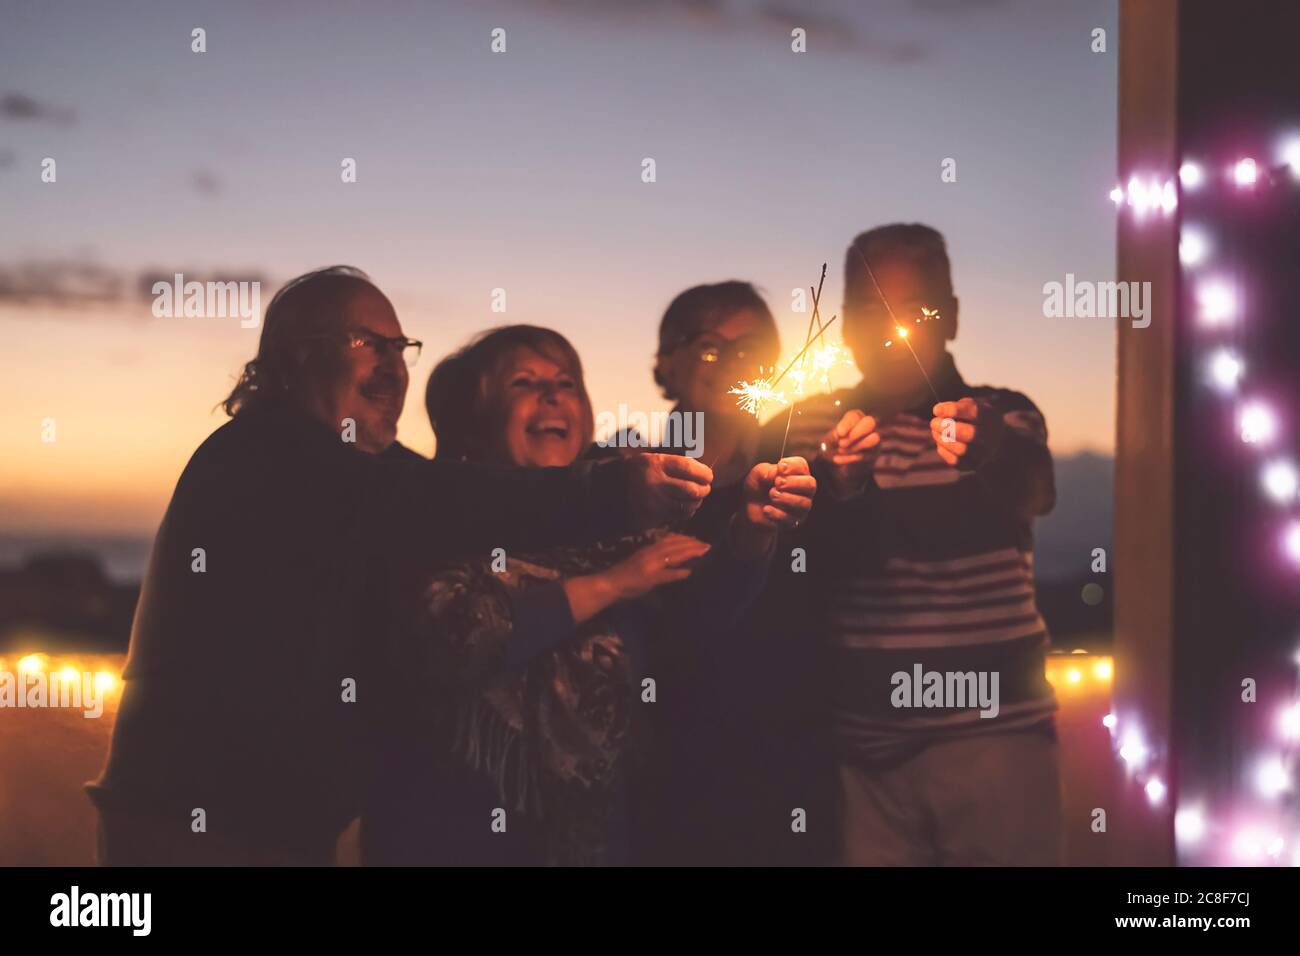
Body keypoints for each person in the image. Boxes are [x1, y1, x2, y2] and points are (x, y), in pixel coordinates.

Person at [86, 267, 713, 866]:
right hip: (197, 822)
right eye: (365, 343)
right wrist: (613, 497)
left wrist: (743, 520)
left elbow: (441, 488)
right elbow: (442, 505)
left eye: (399, 347)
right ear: (298, 356)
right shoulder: (267, 456)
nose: (391, 366)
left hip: (283, 827)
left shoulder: (369, 473)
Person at [362, 324, 816, 865]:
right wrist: (610, 584)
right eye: (523, 383)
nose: (552, 396)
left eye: (566, 382)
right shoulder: (435, 520)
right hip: (454, 831)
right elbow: (456, 639)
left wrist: (753, 528)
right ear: (473, 422)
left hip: (595, 839)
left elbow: (700, 613)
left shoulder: (618, 528)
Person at [776, 225, 1062, 865]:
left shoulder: (1002, 412)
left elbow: (1032, 486)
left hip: (996, 747)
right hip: (860, 759)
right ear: (845, 324)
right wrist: (839, 484)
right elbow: (793, 556)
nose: (888, 329)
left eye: (913, 308)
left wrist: (984, 445)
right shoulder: (812, 428)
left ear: (952, 317)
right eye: (870, 310)